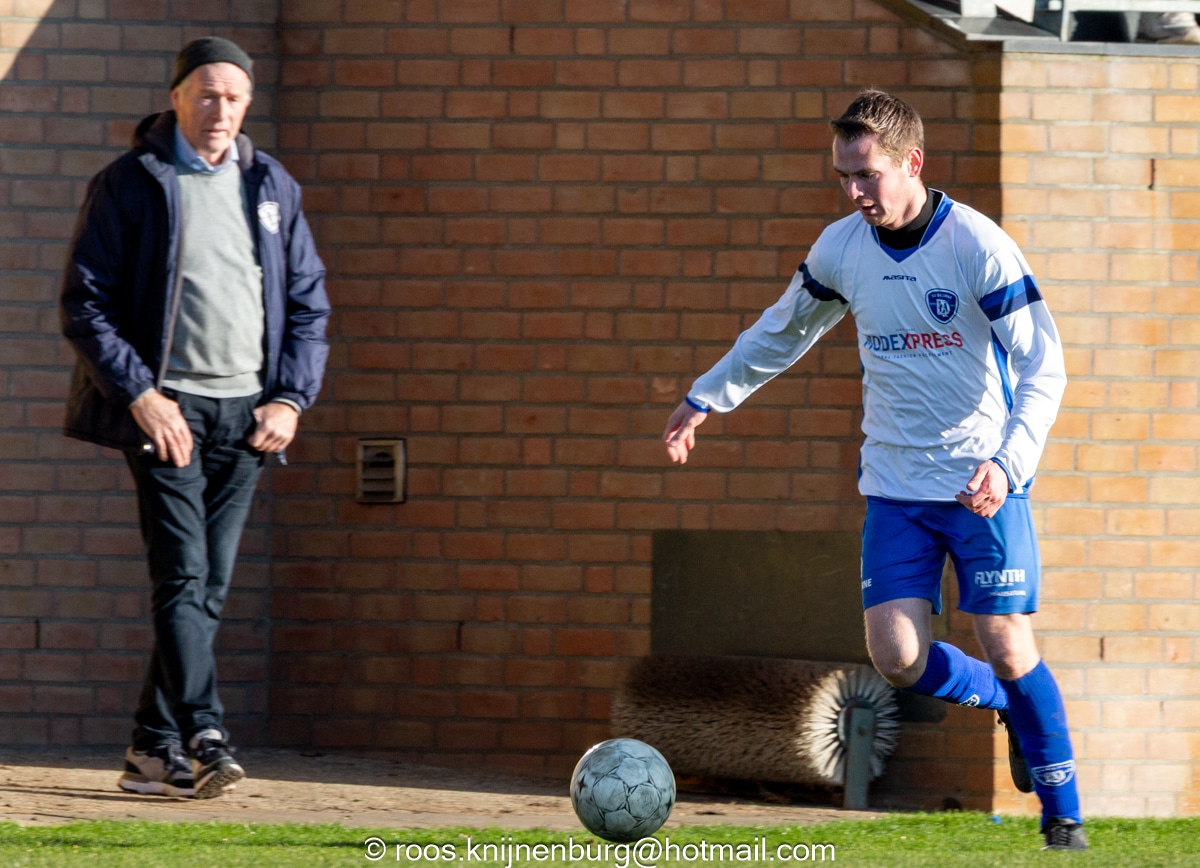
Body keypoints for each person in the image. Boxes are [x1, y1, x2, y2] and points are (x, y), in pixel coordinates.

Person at [663, 90, 1084, 851]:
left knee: (1006, 639)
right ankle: (1005, 703)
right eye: (844, 177)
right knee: (897, 661)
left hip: (983, 485)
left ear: (911, 162)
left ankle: (1065, 821)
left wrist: (1008, 461)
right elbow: (782, 330)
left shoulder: (977, 246)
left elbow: (1043, 367)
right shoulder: (842, 249)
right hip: (894, 489)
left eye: (867, 175)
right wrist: (706, 397)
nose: (854, 192)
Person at [60, 37, 331, 799]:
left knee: (206, 588)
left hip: (248, 418)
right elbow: (85, 304)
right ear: (177, 97)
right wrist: (141, 395)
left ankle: (151, 748)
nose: (220, 110)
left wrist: (290, 398)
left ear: (248, 105)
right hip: (166, 413)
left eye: (234, 98)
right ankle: (206, 736)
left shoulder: (270, 183)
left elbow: (308, 304)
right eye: (207, 94)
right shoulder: (131, 183)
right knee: (183, 575)